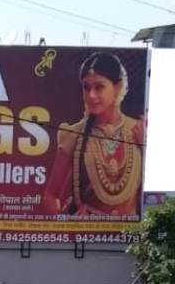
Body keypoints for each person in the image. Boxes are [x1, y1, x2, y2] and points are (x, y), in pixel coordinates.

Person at [42, 52, 145, 217]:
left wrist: (145, 149)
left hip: (133, 232)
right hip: (87, 231)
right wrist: (64, 218)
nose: (91, 95)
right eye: (86, 87)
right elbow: (50, 197)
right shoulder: (74, 134)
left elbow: (159, 195)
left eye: (99, 87)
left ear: (117, 87)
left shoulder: (138, 130)